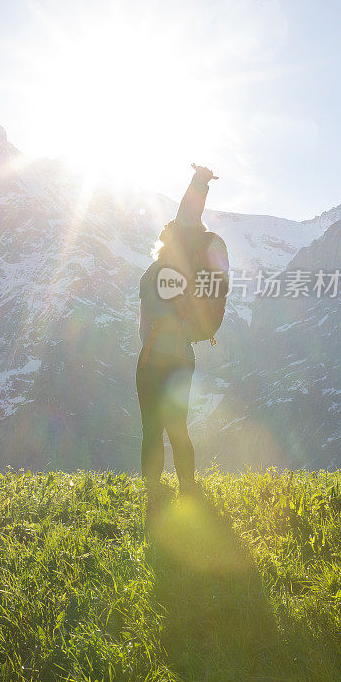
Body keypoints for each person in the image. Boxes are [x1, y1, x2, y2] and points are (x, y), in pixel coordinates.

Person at [137, 164, 217, 502]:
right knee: (176, 428)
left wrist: (198, 181)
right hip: (180, 359)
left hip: (154, 358)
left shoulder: (158, 273)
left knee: (153, 429)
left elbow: (186, 216)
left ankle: (155, 489)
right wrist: (199, 182)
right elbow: (187, 218)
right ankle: (187, 489)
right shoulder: (182, 273)